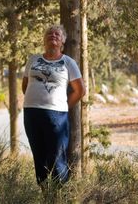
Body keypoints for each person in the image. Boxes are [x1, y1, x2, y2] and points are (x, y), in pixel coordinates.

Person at [22, 24, 85, 187]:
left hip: (57, 115)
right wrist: (34, 100)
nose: (53, 35)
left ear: (63, 41)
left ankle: (60, 195)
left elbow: (80, 91)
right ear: (44, 39)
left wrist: (63, 106)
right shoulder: (33, 59)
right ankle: (45, 194)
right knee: (39, 156)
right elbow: (25, 85)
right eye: (49, 33)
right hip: (31, 113)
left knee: (57, 158)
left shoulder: (68, 62)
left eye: (57, 34)